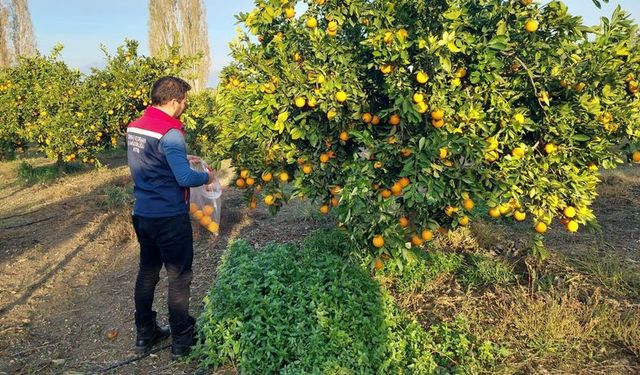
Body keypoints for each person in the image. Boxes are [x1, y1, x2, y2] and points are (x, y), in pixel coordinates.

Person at [126, 76, 214, 359]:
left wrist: (179, 159)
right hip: (168, 217)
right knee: (178, 277)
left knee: (148, 272)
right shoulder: (172, 134)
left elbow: (152, 161)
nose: (185, 105)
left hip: (142, 213)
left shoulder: (136, 127)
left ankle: (145, 333)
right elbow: (185, 178)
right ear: (175, 101)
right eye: (184, 101)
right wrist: (207, 176)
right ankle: (181, 341)